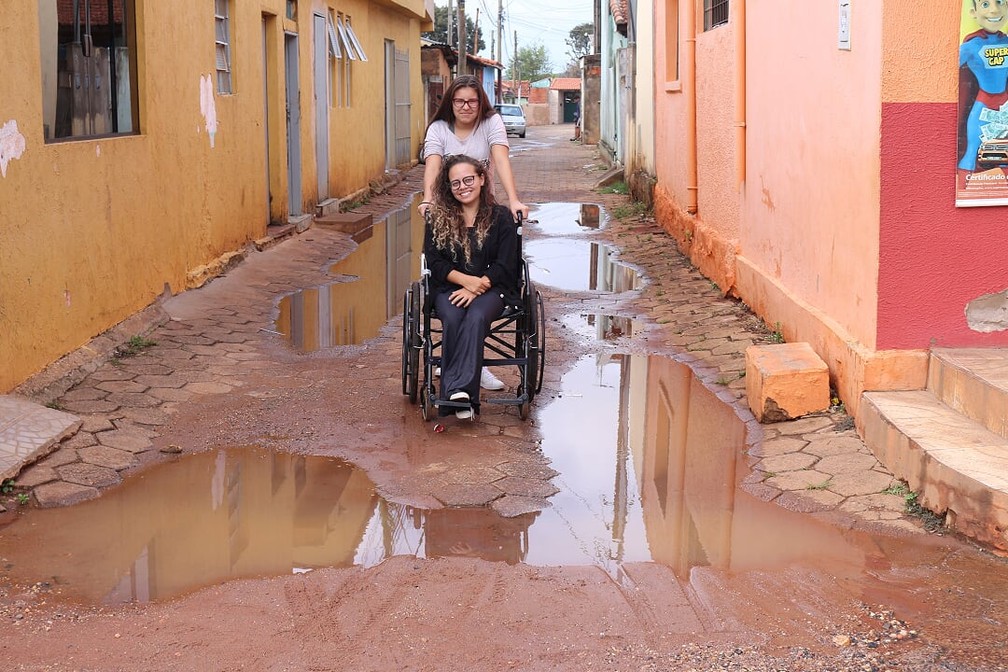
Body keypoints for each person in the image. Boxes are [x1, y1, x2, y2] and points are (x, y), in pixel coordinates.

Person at [419, 74, 529, 391]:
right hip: (447, 208)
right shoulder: (439, 129)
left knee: (480, 295)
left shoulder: (491, 123)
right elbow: (433, 166)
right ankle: (460, 366)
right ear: (450, 103)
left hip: (481, 207)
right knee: (449, 293)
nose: (466, 106)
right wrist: (428, 199)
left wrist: (513, 200)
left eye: (472, 100)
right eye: (459, 101)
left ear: (481, 103)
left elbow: (501, 160)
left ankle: (469, 368)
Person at [423, 155, 519, 420]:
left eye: (468, 180)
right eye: (455, 183)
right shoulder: (438, 218)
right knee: (453, 316)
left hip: (493, 288)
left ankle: (458, 393)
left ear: (481, 179)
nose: (462, 187)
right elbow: (434, 262)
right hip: (449, 288)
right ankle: (462, 397)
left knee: (476, 316)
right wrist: (466, 282)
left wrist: (478, 285)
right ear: (448, 187)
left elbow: (506, 263)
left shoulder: (501, 217)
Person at [957, 0, 1008, 185]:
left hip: (1005, 106)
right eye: (985, 4)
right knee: (972, 150)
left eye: (1000, 2)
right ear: (973, 12)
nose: (994, 10)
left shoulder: (1006, 41)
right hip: (983, 105)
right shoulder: (972, 45)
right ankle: (963, 191)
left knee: (1004, 152)